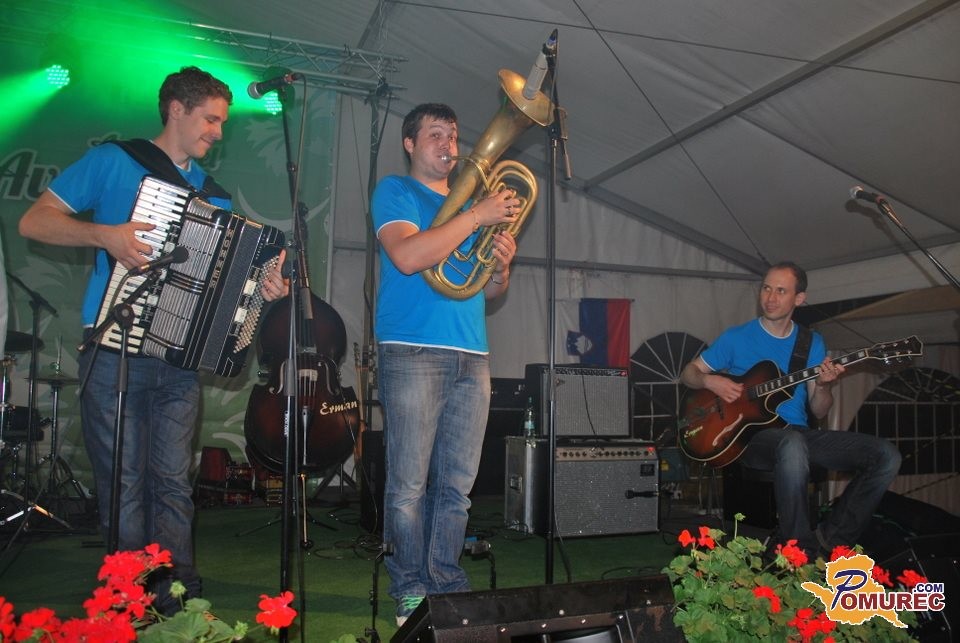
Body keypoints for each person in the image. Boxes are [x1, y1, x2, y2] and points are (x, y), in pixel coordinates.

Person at [18, 66, 289, 613]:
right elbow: (34, 222)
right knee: (124, 482)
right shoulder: (115, 161)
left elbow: (225, 292)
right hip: (113, 351)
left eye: (222, 122)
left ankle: (174, 592)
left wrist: (264, 289)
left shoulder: (213, 196)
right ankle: (126, 596)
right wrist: (105, 235)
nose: (218, 132)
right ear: (176, 110)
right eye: (210, 120)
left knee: (172, 481)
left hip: (178, 362)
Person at [371, 103, 519, 626]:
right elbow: (409, 257)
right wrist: (476, 217)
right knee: (409, 485)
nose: (448, 144)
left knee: (456, 486)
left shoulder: (473, 207)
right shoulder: (396, 191)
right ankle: (410, 589)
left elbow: (486, 289)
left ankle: (446, 582)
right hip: (412, 348)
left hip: (472, 353)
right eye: (435, 134)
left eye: (453, 135)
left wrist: (501, 266)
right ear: (410, 144)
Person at [679, 261, 901, 558]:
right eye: (766, 288)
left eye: (781, 291)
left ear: (799, 298)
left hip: (796, 433)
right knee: (792, 443)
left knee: (886, 455)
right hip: (751, 438)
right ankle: (798, 549)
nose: (770, 297)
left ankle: (831, 539)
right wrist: (710, 380)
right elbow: (688, 373)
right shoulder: (737, 337)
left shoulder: (811, 343)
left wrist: (823, 386)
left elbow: (819, 410)